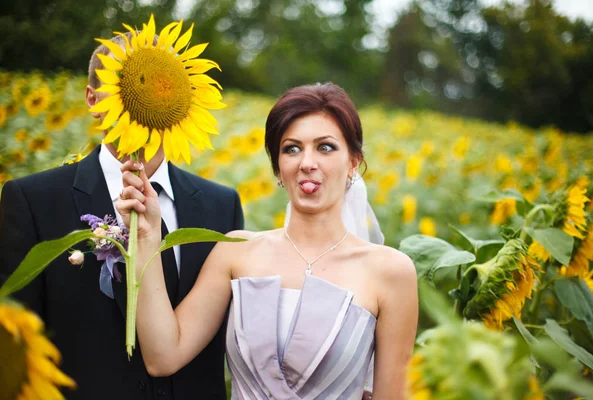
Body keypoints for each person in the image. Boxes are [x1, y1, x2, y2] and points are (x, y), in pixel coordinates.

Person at [117, 83, 418, 399]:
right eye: (292, 148)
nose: (307, 163)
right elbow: (163, 357)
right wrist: (147, 238)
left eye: (325, 147)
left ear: (353, 162)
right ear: (277, 168)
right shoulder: (236, 251)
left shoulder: (391, 272)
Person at [0, 32, 243, 400]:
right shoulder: (34, 201)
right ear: (92, 100)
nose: (151, 94)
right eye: (132, 87)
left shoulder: (220, 206)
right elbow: (17, 337)